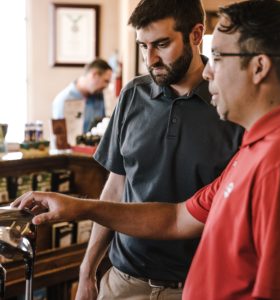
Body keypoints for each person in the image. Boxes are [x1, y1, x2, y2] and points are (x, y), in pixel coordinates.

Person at [13, 0, 280, 299]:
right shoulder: (253, 152)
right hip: (125, 277)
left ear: (259, 66)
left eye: (218, 57)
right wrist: (78, 212)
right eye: (143, 46)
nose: (209, 72)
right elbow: (176, 218)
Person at [62, 0, 242, 299]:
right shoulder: (132, 95)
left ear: (196, 35)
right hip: (123, 281)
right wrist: (87, 271)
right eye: (143, 46)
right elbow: (116, 187)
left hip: (198, 285)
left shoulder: (232, 102)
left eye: (161, 44)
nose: (151, 58)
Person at [52, 58, 112, 133]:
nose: (106, 86)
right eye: (105, 81)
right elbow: (59, 138)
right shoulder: (63, 100)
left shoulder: (99, 95)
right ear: (94, 74)